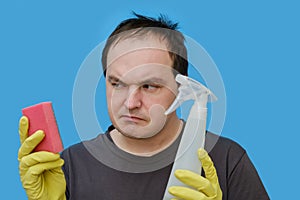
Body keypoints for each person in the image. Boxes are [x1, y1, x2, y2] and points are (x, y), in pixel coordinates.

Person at [18, 13, 269, 200]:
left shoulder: (226, 160)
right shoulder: (68, 166)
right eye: (117, 83)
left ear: (181, 88)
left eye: (149, 86)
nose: (130, 103)